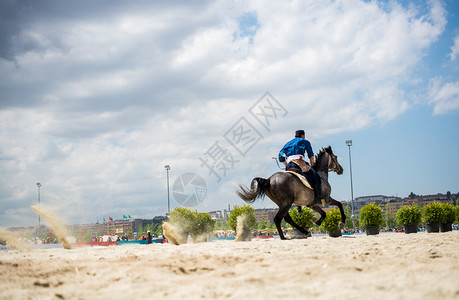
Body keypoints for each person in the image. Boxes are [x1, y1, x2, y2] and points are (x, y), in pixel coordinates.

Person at [278, 130, 322, 205]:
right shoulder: (304, 141)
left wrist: (287, 165)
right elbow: (311, 156)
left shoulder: (288, 143)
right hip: (299, 164)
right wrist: (312, 166)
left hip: (289, 165)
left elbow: (280, 157)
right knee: (317, 177)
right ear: (303, 135)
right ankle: (318, 199)